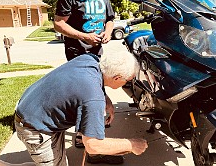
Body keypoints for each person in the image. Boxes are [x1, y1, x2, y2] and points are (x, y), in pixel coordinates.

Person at [14, 51, 148, 166]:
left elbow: (90, 85)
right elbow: (93, 145)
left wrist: (106, 99)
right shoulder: (93, 97)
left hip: (33, 107)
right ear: (117, 77)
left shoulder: (90, 60)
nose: (128, 83)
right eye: (128, 80)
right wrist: (131, 144)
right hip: (33, 126)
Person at [53, 0, 115, 155]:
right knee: (83, 94)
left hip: (98, 52)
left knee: (97, 90)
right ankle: (82, 135)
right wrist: (83, 36)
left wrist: (108, 32)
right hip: (77, 52)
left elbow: (111, 19)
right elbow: (58, 23)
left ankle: (93, 129)